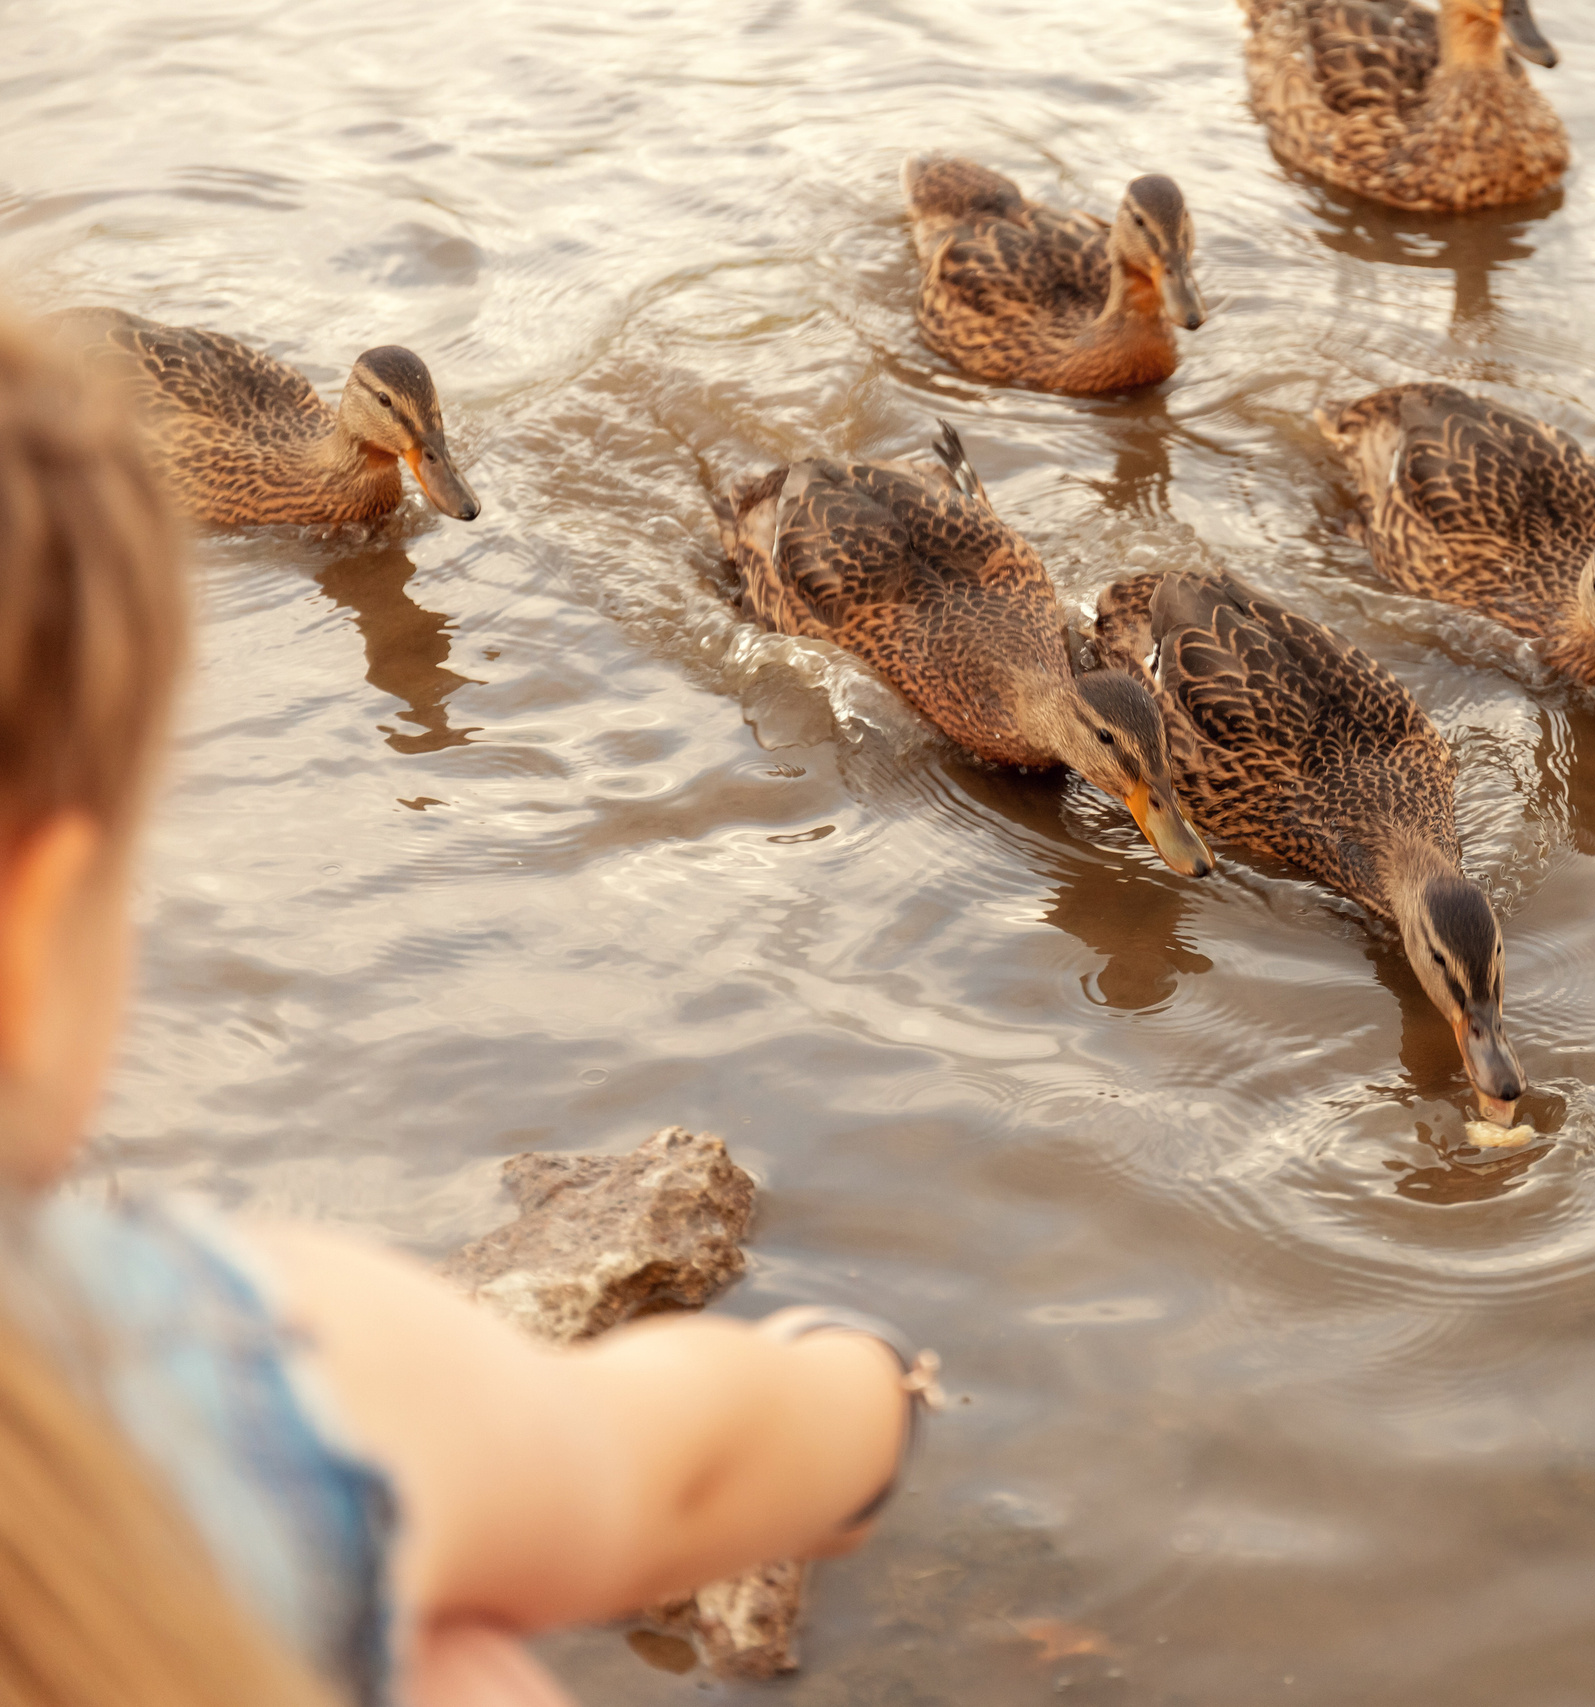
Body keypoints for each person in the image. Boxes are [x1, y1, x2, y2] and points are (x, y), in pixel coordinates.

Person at [0, 306, 931, 1706]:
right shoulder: (194, 1361)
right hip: (393, 1475)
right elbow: (664, 1473)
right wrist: (865, 1389)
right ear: (37, 925)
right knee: (463, 1658)